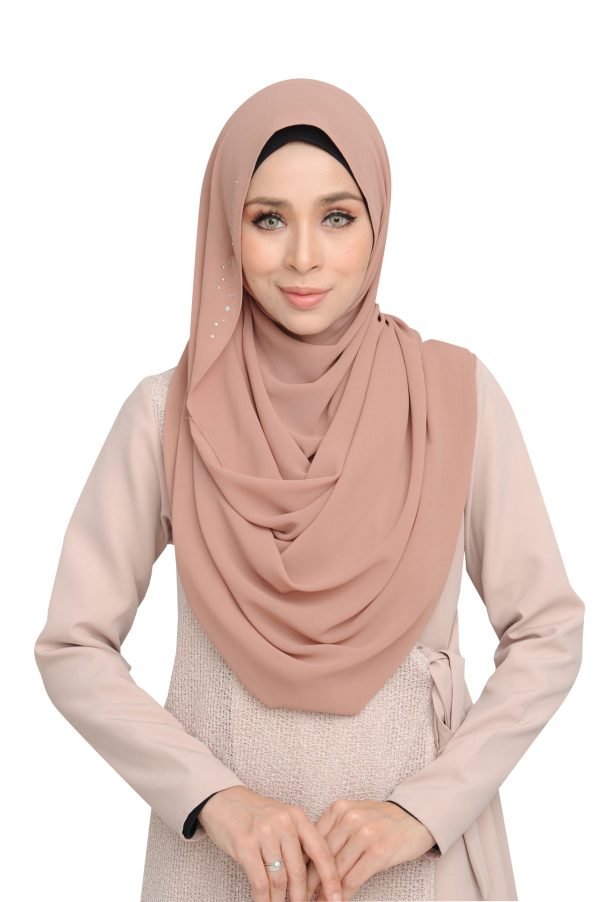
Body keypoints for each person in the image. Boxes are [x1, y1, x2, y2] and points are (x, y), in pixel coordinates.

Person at [33, 78, 585, 902]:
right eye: (268, 219)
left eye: (336, 217)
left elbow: (547, 630)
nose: (303, 257)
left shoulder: (453, 400)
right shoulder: (167, 415)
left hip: (415, 865)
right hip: (220, 867)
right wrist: (214, 800)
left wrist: (424, 809)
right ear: (226, 227)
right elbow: (74, 647)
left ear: (377, 224)